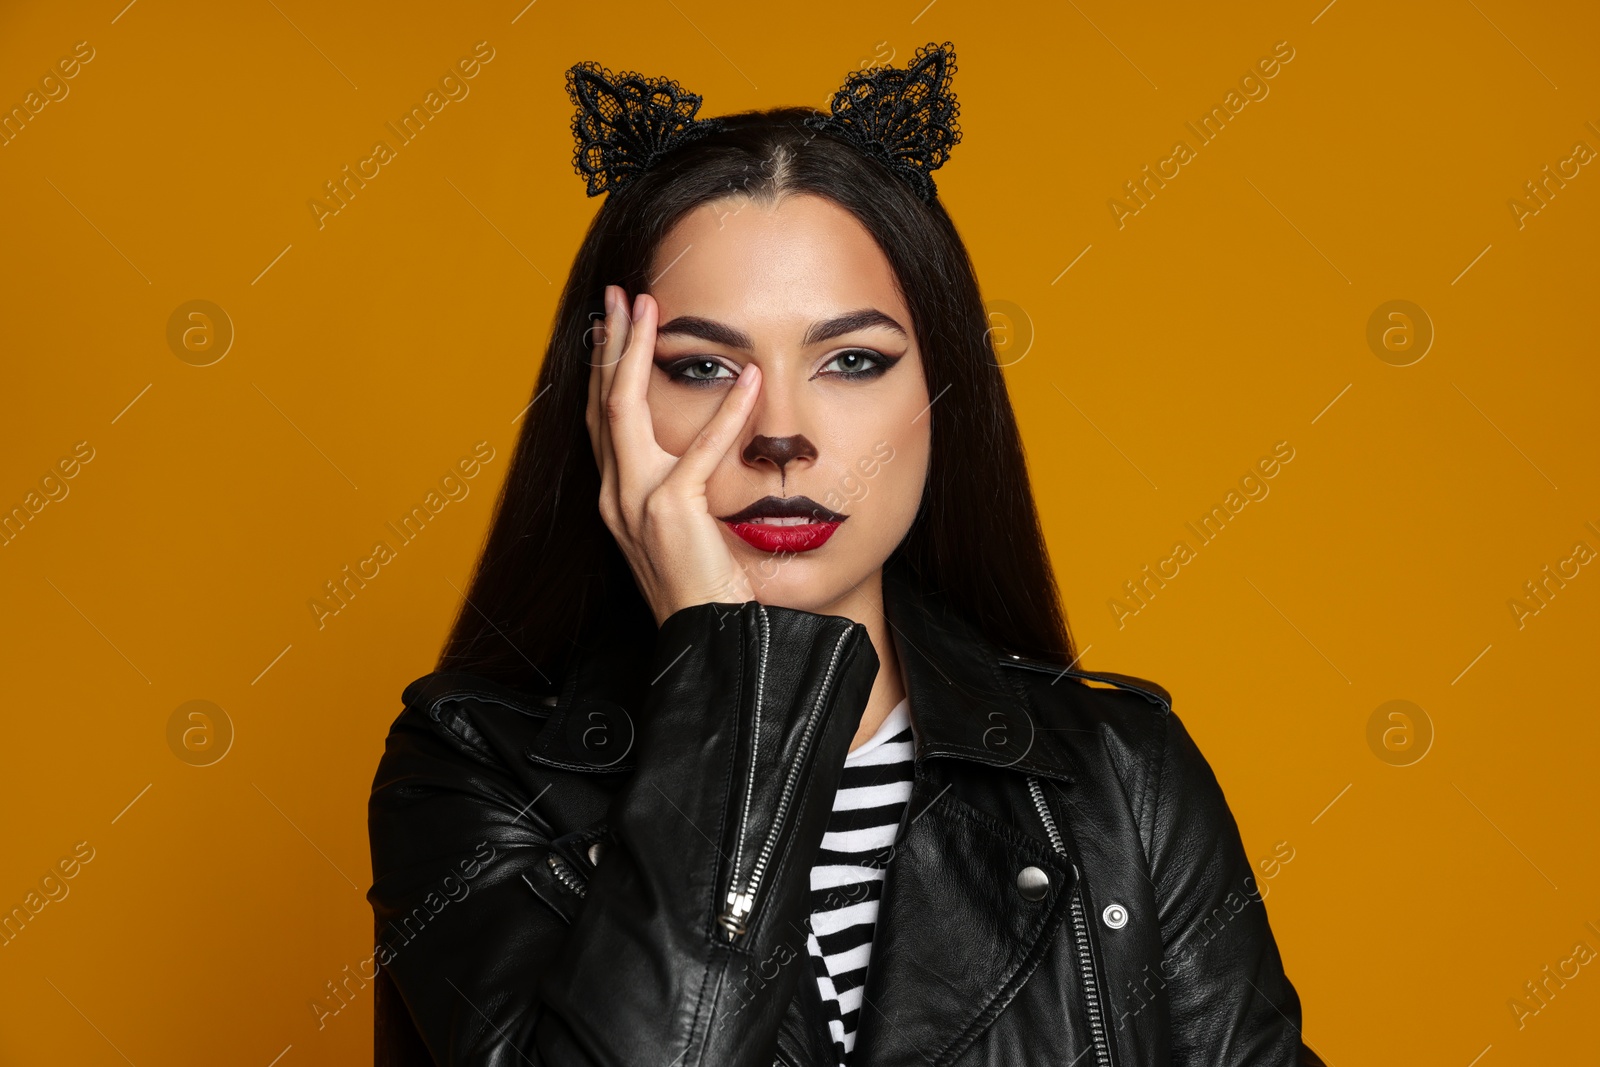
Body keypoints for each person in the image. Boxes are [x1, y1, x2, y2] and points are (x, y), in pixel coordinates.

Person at [366, 42, 1321, 1067]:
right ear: (610, 406)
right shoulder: (474, 774)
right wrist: (727, 661)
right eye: (700, 366)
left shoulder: (1119, 779)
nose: (781, 430)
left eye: (852, 360)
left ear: (940, 397)